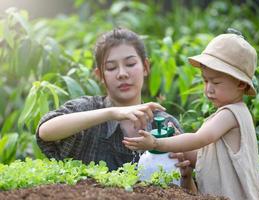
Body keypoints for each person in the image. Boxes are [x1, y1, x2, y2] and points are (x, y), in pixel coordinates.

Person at [123, 32, 259, 199]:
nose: (208, 89)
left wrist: (157, 143)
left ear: (240, 84)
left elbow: (199, 139)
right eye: (205, 81)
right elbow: (206, 159)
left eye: (216, 82)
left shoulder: (231, 114)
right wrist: (179, 144)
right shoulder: (231, 114)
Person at [36, 27, 183, 171]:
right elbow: (45, 131)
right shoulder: (88, 108)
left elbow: (191, 186)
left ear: (145, 67)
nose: (122, 74)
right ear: (100, 75)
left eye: (130, 64)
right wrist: (112, 113)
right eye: (111, 68)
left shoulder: (164, 124)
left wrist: (186, 175)